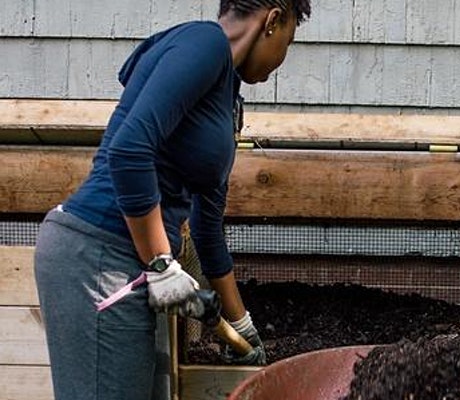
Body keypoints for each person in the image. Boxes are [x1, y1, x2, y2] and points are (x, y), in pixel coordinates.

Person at [33, 1, 311, 399]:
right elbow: (128, 150)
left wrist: (241, 323)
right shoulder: (204, 45)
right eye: (290, 40)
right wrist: (162, 263)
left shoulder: (224, 96)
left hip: (134, 264)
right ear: (274, 20)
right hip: (98, 256)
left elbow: (206, 226)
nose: (283, 58)